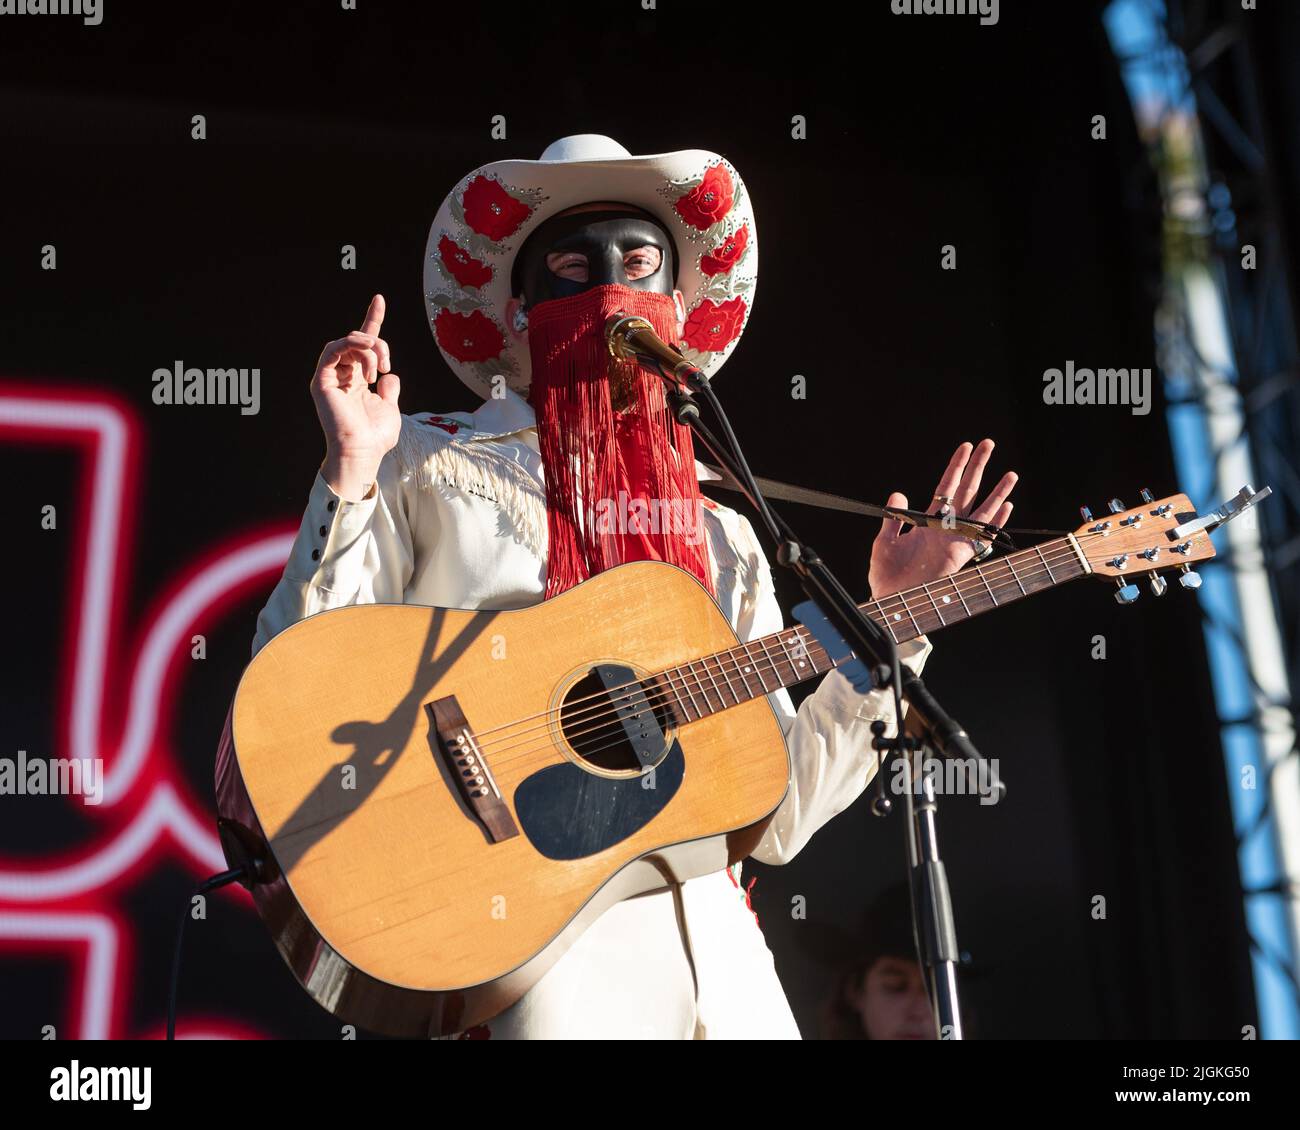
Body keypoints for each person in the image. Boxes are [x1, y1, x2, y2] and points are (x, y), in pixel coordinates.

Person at [251, 135, 1017, 1039]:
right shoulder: (424, 461)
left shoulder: (724, 533)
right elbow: (298, 670)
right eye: (572, 267)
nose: (609, 286)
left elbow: (777, 817)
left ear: (678, 312)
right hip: (535, 956)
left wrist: (892, 620)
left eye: (640, 262)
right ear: (517, 304)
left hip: (728, 978)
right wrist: (350, 470)